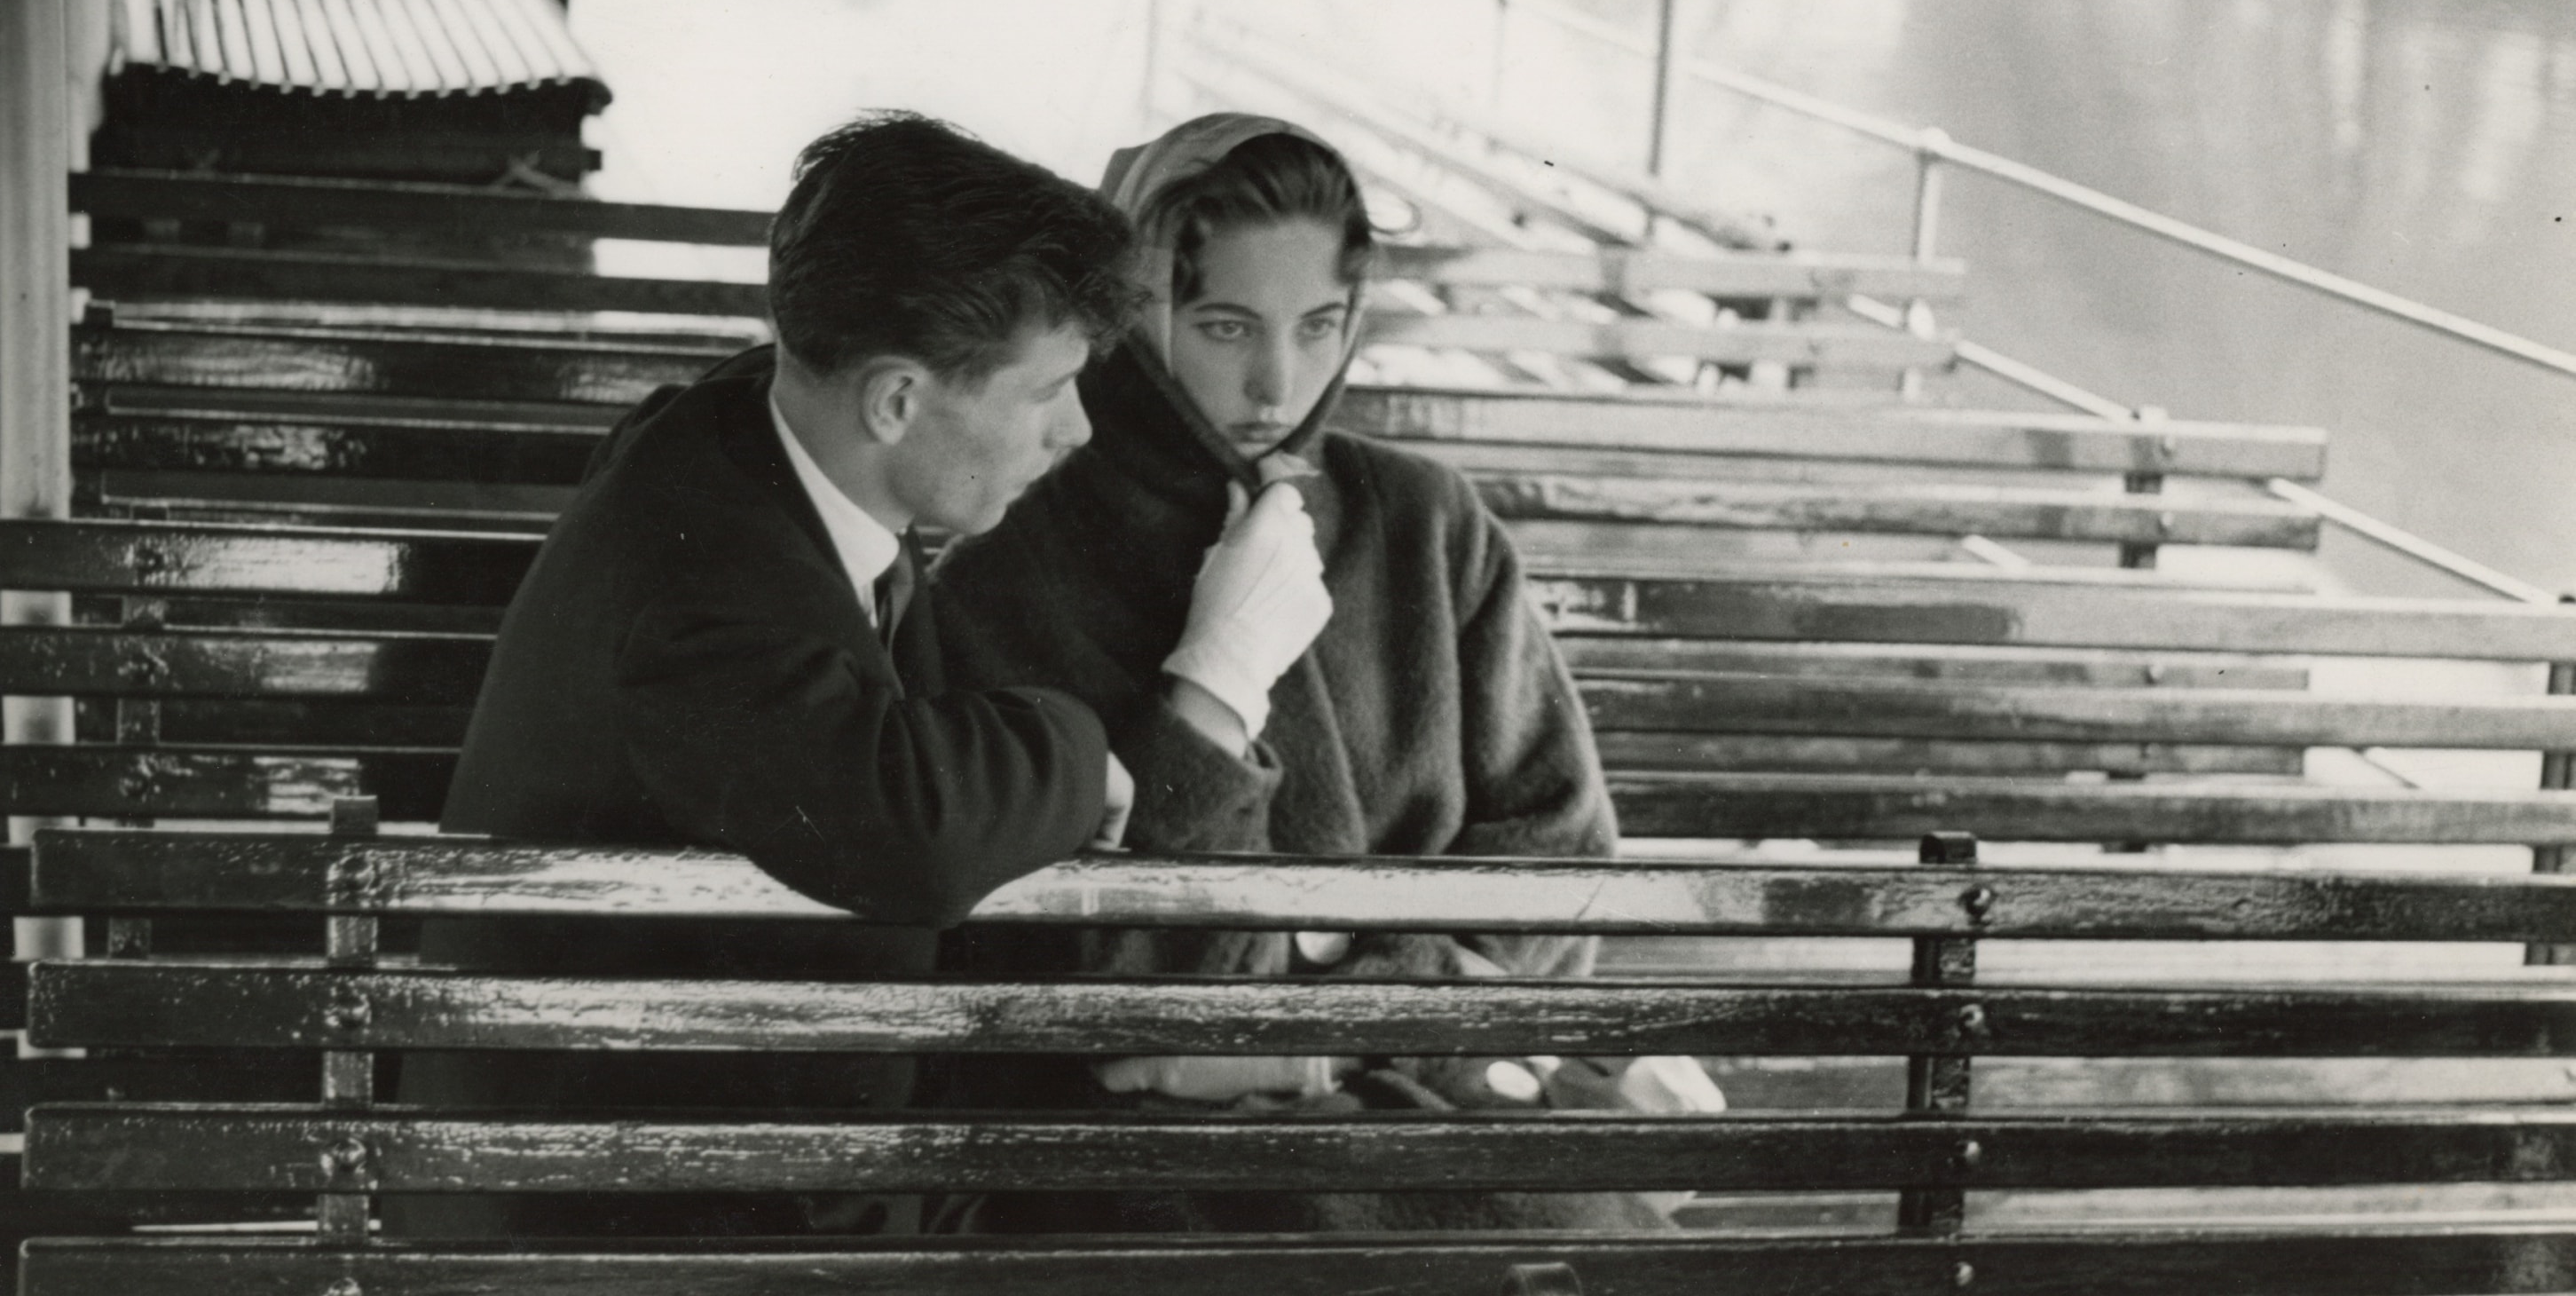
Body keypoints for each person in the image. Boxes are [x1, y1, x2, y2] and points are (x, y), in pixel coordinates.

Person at [394, 111, 1158, 1239]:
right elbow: (910, 826)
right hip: (608, 1225)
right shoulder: (692, 603)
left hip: (725, 1148)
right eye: (1046, 393)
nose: (1079, 431)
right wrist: (1081, 751)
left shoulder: (745, 428)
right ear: (895, 401)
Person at [934, 111, 1674, 1234]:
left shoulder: (1428, 525)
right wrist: (1209, 696)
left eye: (1320, 324)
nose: (1277, 382)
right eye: (1227, 327)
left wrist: (1323, 1028)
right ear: (1136, 308)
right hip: (1142, 1164)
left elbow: (1561, 865)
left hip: (1430, 1108)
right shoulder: (1012, 563)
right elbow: (1092, 982)